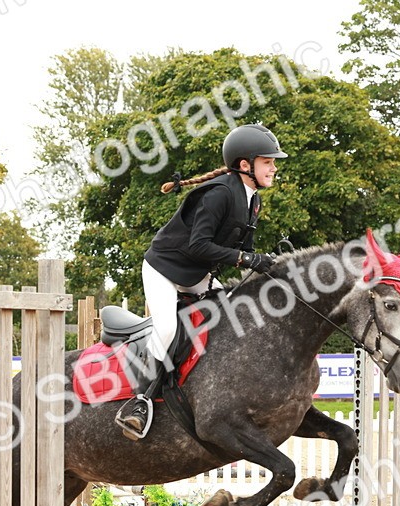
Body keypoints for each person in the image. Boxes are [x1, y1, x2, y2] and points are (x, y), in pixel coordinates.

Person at [114, 123, 287, 440]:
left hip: (195, 274)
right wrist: (247, 260)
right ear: (245, 165)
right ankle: (139, 400)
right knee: (166, 328)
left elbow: (241, 249)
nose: (274, 167)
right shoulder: (219, 194)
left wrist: (263, 263)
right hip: (164, 269)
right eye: (268, 161)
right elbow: (198, 245)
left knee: (233, 315)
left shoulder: (253, 201)